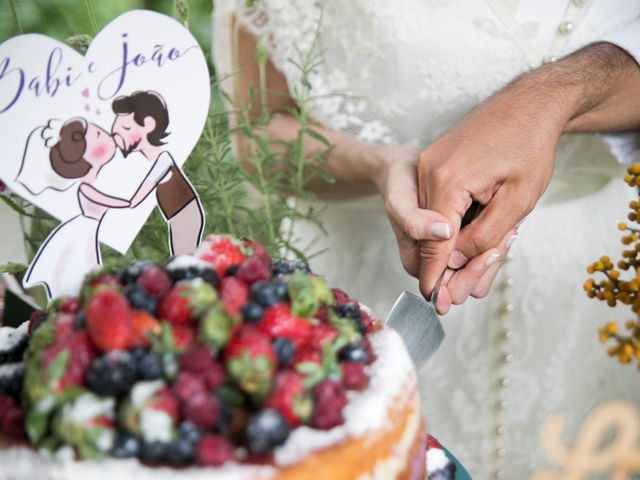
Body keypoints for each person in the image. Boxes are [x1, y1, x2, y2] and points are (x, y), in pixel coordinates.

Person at [214, 1, 640, 477]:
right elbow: (258, 131)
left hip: (604, 294)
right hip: (370, 290)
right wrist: (381, 164)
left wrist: (553, 97)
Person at [23, 118, 130, 299]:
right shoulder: (86, 186)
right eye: (98, 134)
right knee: (76, 268)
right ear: (92, 153)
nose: (107, 134)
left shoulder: (99, 179)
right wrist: (130, 202)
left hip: (89, 230)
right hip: (84, 231)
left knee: (83, 268)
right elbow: (111, 201)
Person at [111, 90, 204, 256]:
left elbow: (137, 197)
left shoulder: (163, 160)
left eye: (126, 128)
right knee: (181, 257)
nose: (120, 136)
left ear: (148, 124)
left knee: (184, 258)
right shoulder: (150, 161)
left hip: (185, 214)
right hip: (177, 215)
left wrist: (120, 203)